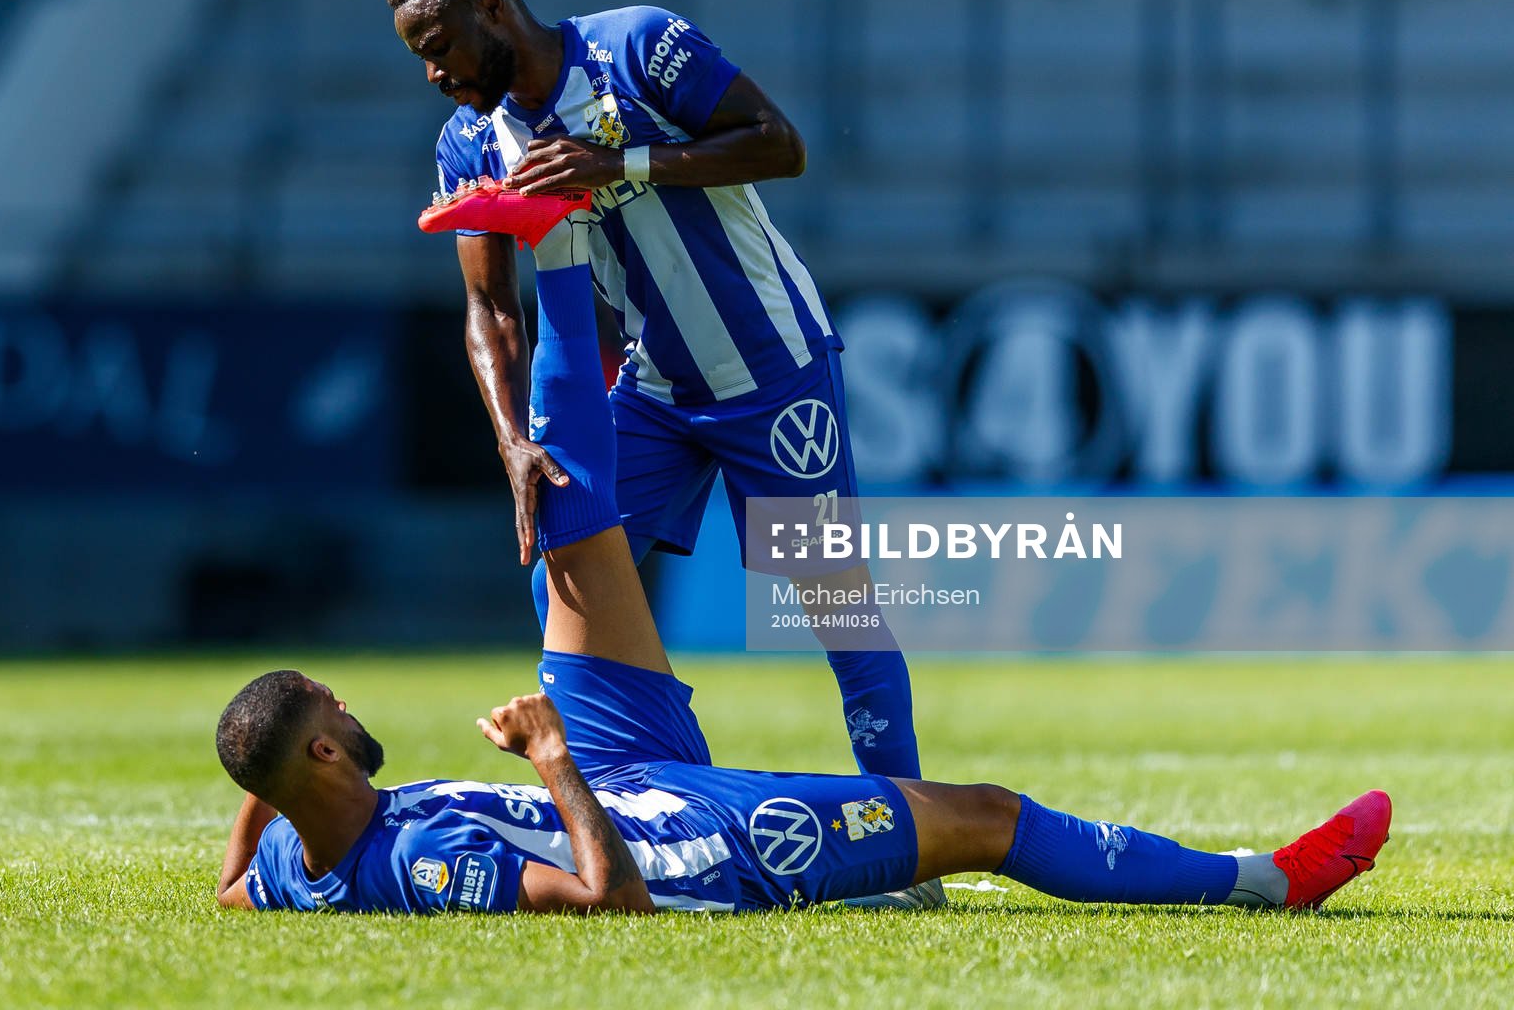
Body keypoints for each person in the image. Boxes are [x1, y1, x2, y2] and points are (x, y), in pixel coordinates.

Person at [213, 207, 1391, 915]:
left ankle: (562, 242)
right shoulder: (417, 858)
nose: (351, 704)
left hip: (617, 779)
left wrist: (263, 796)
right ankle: (1267, 878)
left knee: (570, 530)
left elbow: (239, 880)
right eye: (331, 708)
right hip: (675, 843)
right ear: (323, 749)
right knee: (984, 813)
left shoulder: (283, 864)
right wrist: (555, 759)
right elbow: (608, 901)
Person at [386, 0, 923, 807]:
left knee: (836, 606)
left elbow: (779, 143)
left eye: (439, 50)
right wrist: (513, 441)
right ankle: (651, 791)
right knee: (563, 573)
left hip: (772, 367)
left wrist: (622, 163)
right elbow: (490, 308)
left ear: (492, 8)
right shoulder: (470, 144)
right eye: (421, 60)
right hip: (659, 388)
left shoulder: (635, 47)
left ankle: (913, 831)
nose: (436, 75)